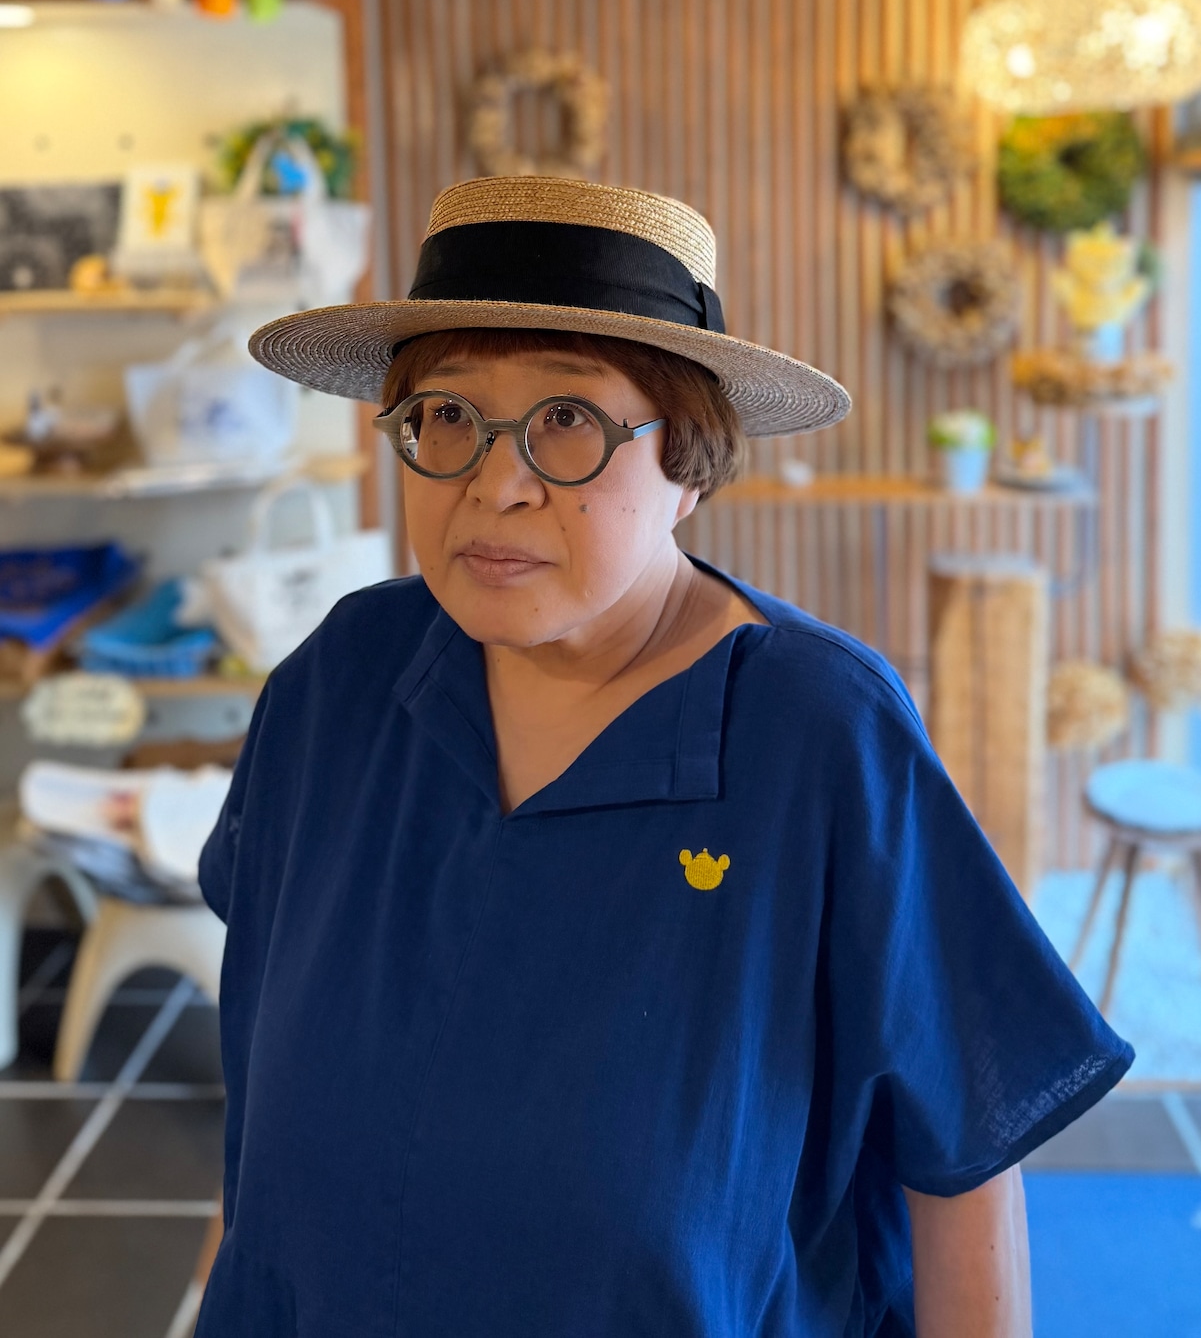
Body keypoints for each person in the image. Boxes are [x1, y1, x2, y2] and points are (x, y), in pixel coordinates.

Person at [196, 175, 1132, 1338]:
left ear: (687, 463)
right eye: (446, 414)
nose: (495, 484)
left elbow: (962, 1147)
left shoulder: (816, 732)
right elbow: (260, 1074)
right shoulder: (338, 681)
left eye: (568, 421)